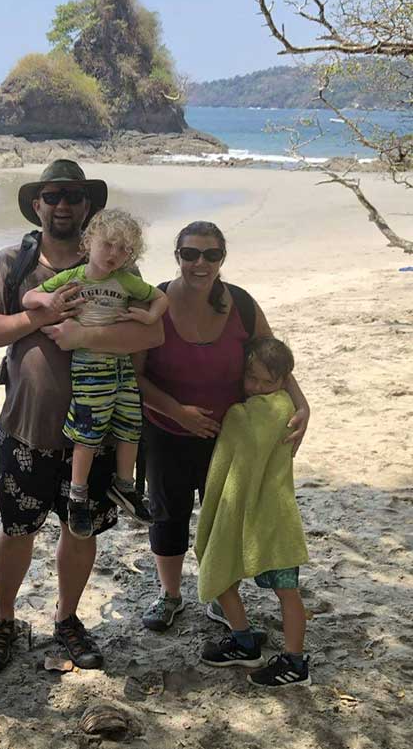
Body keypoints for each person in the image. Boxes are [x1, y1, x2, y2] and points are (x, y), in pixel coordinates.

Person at [0, 159, 164, 672]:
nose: (62, 205)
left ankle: (67, 618)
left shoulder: (119, 267)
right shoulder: (12, 262)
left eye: (73, 196)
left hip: (96, 430)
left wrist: (82, 336)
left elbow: (148, 335)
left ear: (88, 207)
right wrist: (41, 315)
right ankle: (5, 619)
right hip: (26, 425)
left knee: (82, 531)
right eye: (52, 195)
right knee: (16, 529)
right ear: (37, 204)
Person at [133, 221, 309, 633]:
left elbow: (274, 358)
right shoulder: (155, 302)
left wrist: (303, 405)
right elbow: (135, 376)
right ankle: (170, 594)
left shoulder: (242, 304)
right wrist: (177, 412)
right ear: (177, 256)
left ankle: (219, 592)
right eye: (190, 254)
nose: (200, 263)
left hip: (230, 436)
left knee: (223, 518)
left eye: (211, 255)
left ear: (222, 259)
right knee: (168, 516)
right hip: (166, 430)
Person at [21, 208, 165, 537]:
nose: (114, 254)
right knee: (88, 432)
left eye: (124, 249)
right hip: (88, 368)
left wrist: (147, 317)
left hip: (121, 365)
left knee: (131, 424)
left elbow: (161, 300)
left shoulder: (127, 280)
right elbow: (30, 298)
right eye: (108, 244)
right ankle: (77, 495)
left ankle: (125, 485)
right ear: (89, 242)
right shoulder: (74, 278)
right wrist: (51, 303)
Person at [195, 337, 311, 687]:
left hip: (274, 516)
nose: (258, 387)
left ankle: (294, 661)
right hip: (256, 513)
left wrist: (235, 413)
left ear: (283, 381)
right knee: (222, 571)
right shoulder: (276, 408)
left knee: (287, 592)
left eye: (267, 381)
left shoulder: (266, 413)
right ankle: (244, 640)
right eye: (252, 379)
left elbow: (244, 444)